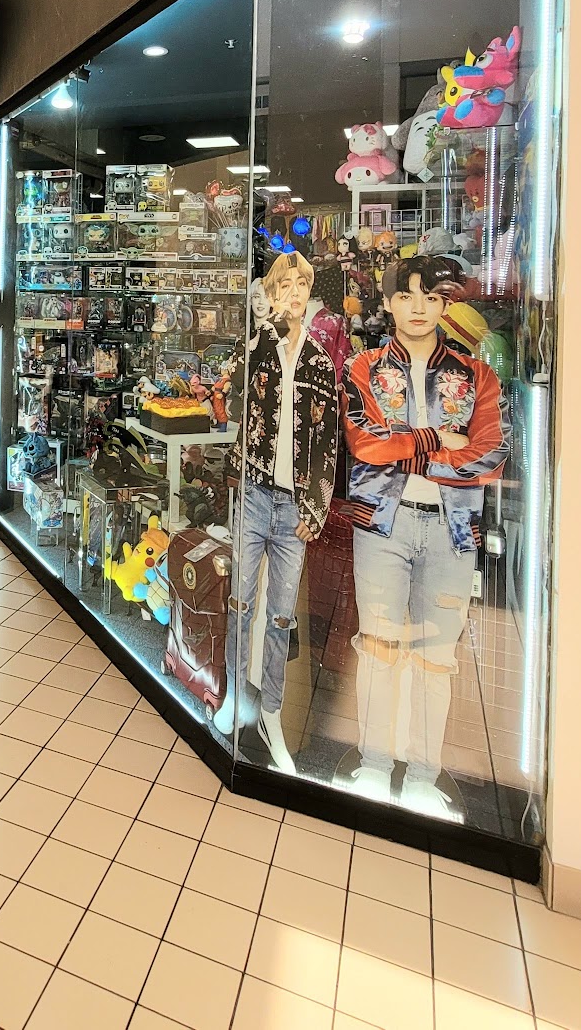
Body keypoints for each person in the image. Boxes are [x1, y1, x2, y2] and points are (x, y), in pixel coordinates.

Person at [339, 254, 507, 818]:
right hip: (381, 524)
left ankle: (423, 774)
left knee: (437, 656)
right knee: (378, 646)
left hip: (453, 529)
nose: (418, 308)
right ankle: (374, 763)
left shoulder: (476, 375)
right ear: (388, 303)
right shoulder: (363, 368)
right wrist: (438, 439)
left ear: (444, 305)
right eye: (407, 296)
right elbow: (365, 444)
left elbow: (489, 456)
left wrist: (409, 451)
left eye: (431, 298)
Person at [220, 250, 349, 773]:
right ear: (270, 293)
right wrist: (258, 336)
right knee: (239, 602)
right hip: (253, 494)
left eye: (301, 286)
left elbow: (327, 440)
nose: (292, 295)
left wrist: (316, 506)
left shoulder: (319, 359)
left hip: (293, 504)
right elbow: (229, 391)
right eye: (283, 287)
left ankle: (271, 710)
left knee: (280, 615)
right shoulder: (256, 345)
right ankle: (235, 695)